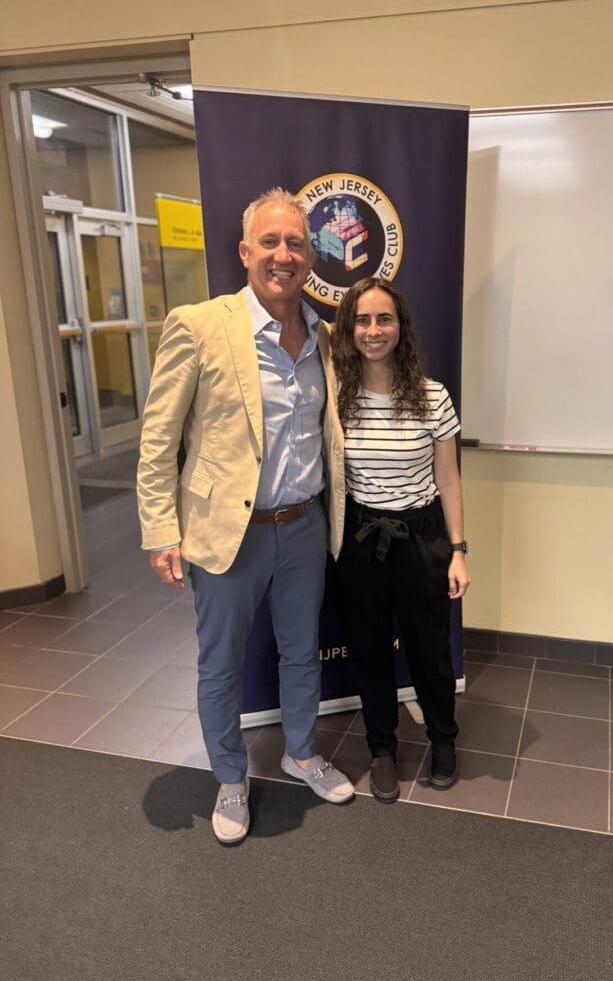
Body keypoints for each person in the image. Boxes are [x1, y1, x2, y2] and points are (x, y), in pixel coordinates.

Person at [137, 188, 354, 846]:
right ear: (245, 252)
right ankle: (231, 777)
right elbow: (159, 435)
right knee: (221, 665)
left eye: (295, 243)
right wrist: (159, 528)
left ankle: (300, 752)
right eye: (270, 242)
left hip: (304, 525)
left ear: (310, 255)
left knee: (300, 653)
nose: (283, 255)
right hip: (226, 534)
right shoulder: (200, 325)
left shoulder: (327, 336)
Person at [330, 277, 471, 803]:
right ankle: (382, 748)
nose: (373, 330)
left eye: (383, 319)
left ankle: (443, 740)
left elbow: (450, 479)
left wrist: (458, 550)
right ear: (349, 331)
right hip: (361, 541)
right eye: (362, 321)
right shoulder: (336, 398)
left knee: (430, 652)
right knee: (368, 651)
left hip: (422, 539)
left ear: (400, 327)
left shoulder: (432, 396)